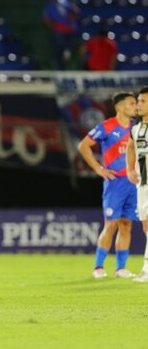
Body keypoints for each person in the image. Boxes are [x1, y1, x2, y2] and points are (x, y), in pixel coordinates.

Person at [78, 92, 137, 279]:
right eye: (131, 103)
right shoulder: (107, 126)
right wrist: (98, 168)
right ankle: (98, 267)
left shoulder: (137, 128)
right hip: (114, 183)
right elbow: (83, 146)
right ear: (119, 107)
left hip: (133, 183)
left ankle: (121, 268)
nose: (135, 106)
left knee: (126, 225)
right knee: (111, 224)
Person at [126, 87, 148, 283]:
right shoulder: (136, 129)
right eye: (137, 101)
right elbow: (130, 147)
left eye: (142, 101)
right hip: (143, 184)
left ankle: (147, 268)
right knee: (146, 225)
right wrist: (129, 169)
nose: (138, 105)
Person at [44, 0, 79, 70]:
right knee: (67, 47)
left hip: (60, 29)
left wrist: (52, 27)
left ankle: (60, 68)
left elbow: (46, 19)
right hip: (71, 28)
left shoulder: (50, 5)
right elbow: (76, 11)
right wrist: (71, 19)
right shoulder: (65, 2)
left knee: (59, 50)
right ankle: (67, 52)